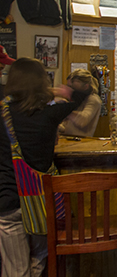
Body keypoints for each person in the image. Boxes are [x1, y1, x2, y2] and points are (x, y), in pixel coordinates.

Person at [0, 58, 89, 277]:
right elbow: (84, 94)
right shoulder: (49, 114)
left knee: (15, 270)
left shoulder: (2, 112)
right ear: (42, 82)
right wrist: (57, 91)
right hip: (40, 201)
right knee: (39, 259)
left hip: (7, 200)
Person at [58, 69, 102, 137]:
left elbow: (83, 120)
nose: (70, 91)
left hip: (81, 143)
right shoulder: (78, 99)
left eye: (72, 88)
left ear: (85, 86)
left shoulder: (93, 99)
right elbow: (68, 127)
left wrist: (65, 110)